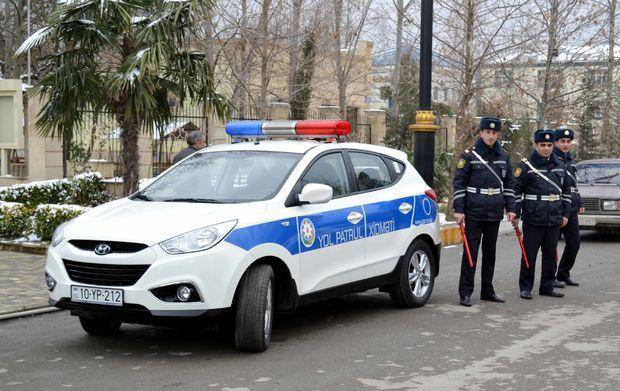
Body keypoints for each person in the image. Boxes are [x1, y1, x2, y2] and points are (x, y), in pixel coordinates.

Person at [453, 116, 517, 307]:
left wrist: (511, 208)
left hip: (494, 211)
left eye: (494, 133)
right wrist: (459, 210)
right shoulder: (469, 155)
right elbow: (459, 183)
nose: (490, 136)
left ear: (498, 134)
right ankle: (465, 292)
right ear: (480, 133)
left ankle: (487, 291)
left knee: (490, 253)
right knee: (470, 253)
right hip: (473, 210)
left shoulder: (503, 156)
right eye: (487, 132)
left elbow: (509, 185)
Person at [513, 129, 571, 300]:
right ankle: (526, 287)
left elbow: (566, 192)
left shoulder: (560, 165)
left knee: (550, 255)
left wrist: (565, 214)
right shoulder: (525, 165)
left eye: (549, 145)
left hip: (554, 217)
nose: (546, 148)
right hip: (533, 217)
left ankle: (547, 286)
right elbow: (516, 190)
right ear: (535, 145)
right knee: (529, 254)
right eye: (542, 145)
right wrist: (515, 213)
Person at [553, 128, 583, 287]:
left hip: (571, 207)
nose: (566, 144)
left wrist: (580, 202)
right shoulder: (552, 159)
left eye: (568, 141)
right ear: (555, 142)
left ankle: (563, 273)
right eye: (562, 141)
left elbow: (573, 184)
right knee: (551, 245)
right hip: (556, 206)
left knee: (574, 243)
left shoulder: (570, 160)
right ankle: (549, 278)